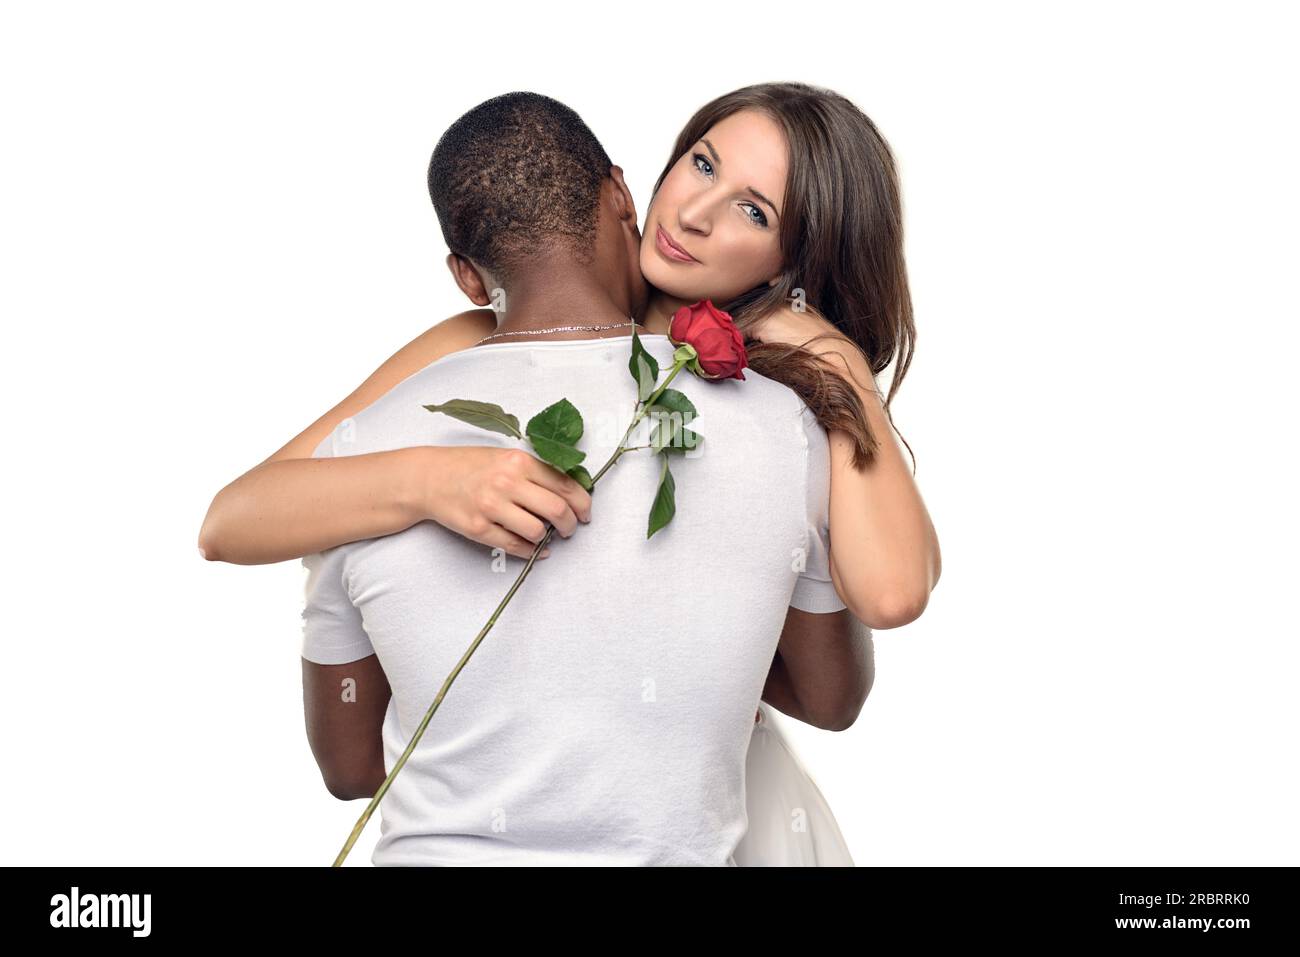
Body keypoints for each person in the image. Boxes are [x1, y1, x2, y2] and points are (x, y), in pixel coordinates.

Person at [201, 84, 941, 864]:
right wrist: (434, 481)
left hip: (720, 808)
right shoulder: (478, 337)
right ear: (630, 183)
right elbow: (236, 516)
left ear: (796, 259)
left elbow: (886, 602)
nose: (693, 213)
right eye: (702, 163)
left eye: (754, 212)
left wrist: (843, 369)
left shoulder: (789, 391)